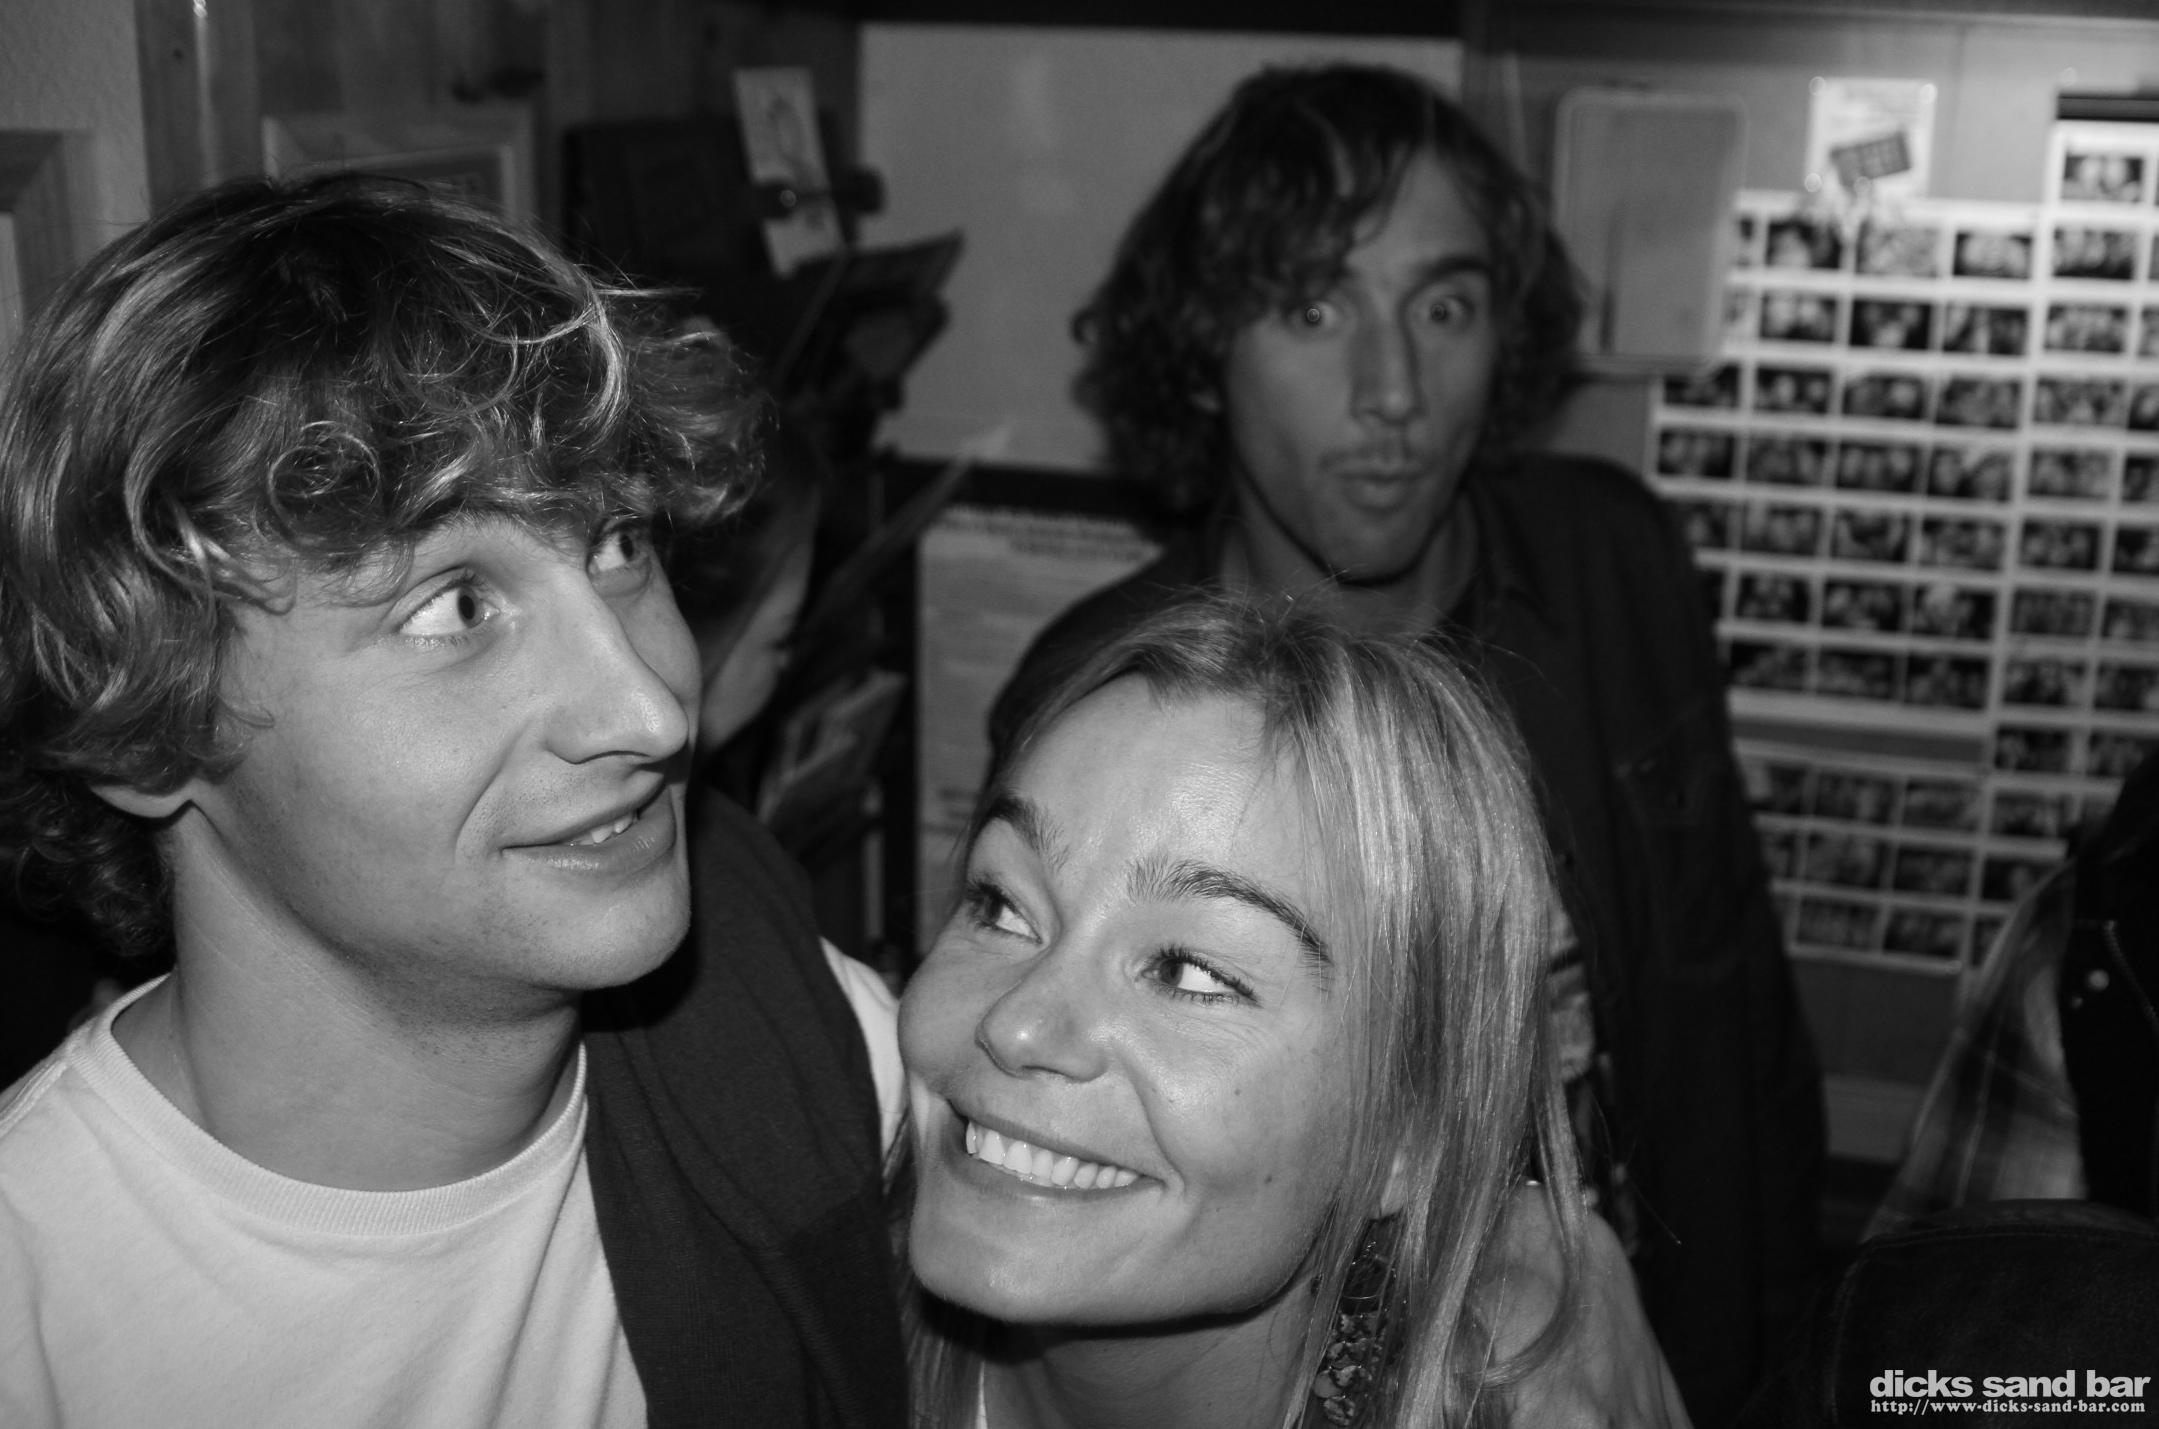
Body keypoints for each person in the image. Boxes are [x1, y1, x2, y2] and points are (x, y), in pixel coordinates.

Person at [0, 173, 906, 1427]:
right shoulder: (38, 1312)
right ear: (144, 729)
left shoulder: (808, 1041)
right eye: (456, 607)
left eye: (620, 543)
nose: (649, 710)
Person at [991, 63, 1824, 1422]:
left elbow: (1736, 1016)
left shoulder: (1608, 561)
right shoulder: (1106, 693)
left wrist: (1766, 1362)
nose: (1390, 391)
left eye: (1442, 307)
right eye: (1312, 308)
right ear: (1202, 350)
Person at [904, 594, 1687, 1428]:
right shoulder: (807, 1304)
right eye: (1001, 906)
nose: (1016, 1024)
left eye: (1187, 971)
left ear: (1403, 1133)